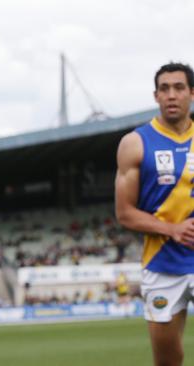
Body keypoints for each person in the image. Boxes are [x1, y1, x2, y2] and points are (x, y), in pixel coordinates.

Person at [115, 62, 194, 366]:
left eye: (178, 87)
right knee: (167, 360)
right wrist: (173, 229)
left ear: (191, 93)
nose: (171, 95)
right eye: (164, 89)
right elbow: (124, 214)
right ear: (155, 95)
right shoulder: (135, 144)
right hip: (162, 266)